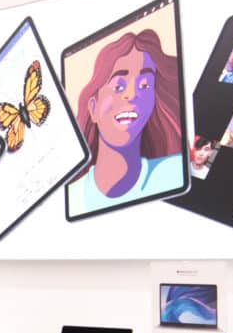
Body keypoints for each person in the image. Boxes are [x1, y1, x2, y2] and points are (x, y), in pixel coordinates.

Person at [68, 28, 184, 215]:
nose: (132, 94)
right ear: (93, 108)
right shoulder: (73, 198)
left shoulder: (173, 172)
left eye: (144, 85)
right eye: (118, 86)